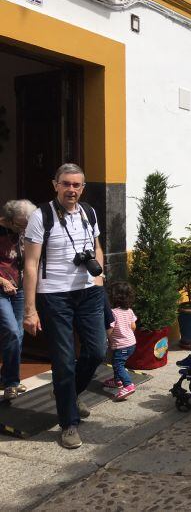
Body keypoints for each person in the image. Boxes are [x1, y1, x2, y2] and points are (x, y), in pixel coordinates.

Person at [23, 164, 107, 450]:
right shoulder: (41, 216)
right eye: (66, 184)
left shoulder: (89, 212)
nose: (71, 189)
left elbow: (96, 246)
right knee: (63, 360)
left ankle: (68, 395)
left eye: (77, 185)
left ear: (83, 188)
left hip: (88, 293)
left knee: (97, 350)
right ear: (55, 185)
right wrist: (30, 309)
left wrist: (99, 276)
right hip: (55, 296)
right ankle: (69, 424)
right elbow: (31, 264)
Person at [0, 199, 36, 400]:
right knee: (12, 331)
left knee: (18, 335)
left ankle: (7, 377)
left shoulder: (25, 231)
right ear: (9, 218)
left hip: (19, 288)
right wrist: (2, 281)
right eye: (21, 225)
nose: (24, 229)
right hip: (1, 288)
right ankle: (12, 382)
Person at [101, 282, 138, 401]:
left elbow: (110, 329)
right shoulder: (129, 311)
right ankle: (117, 381)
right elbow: (133, 327)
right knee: (116, 362)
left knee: (118, 365)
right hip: (131, 344)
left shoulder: (113, 313)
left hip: (121, 345)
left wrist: (106, 339)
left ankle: (128, 384)